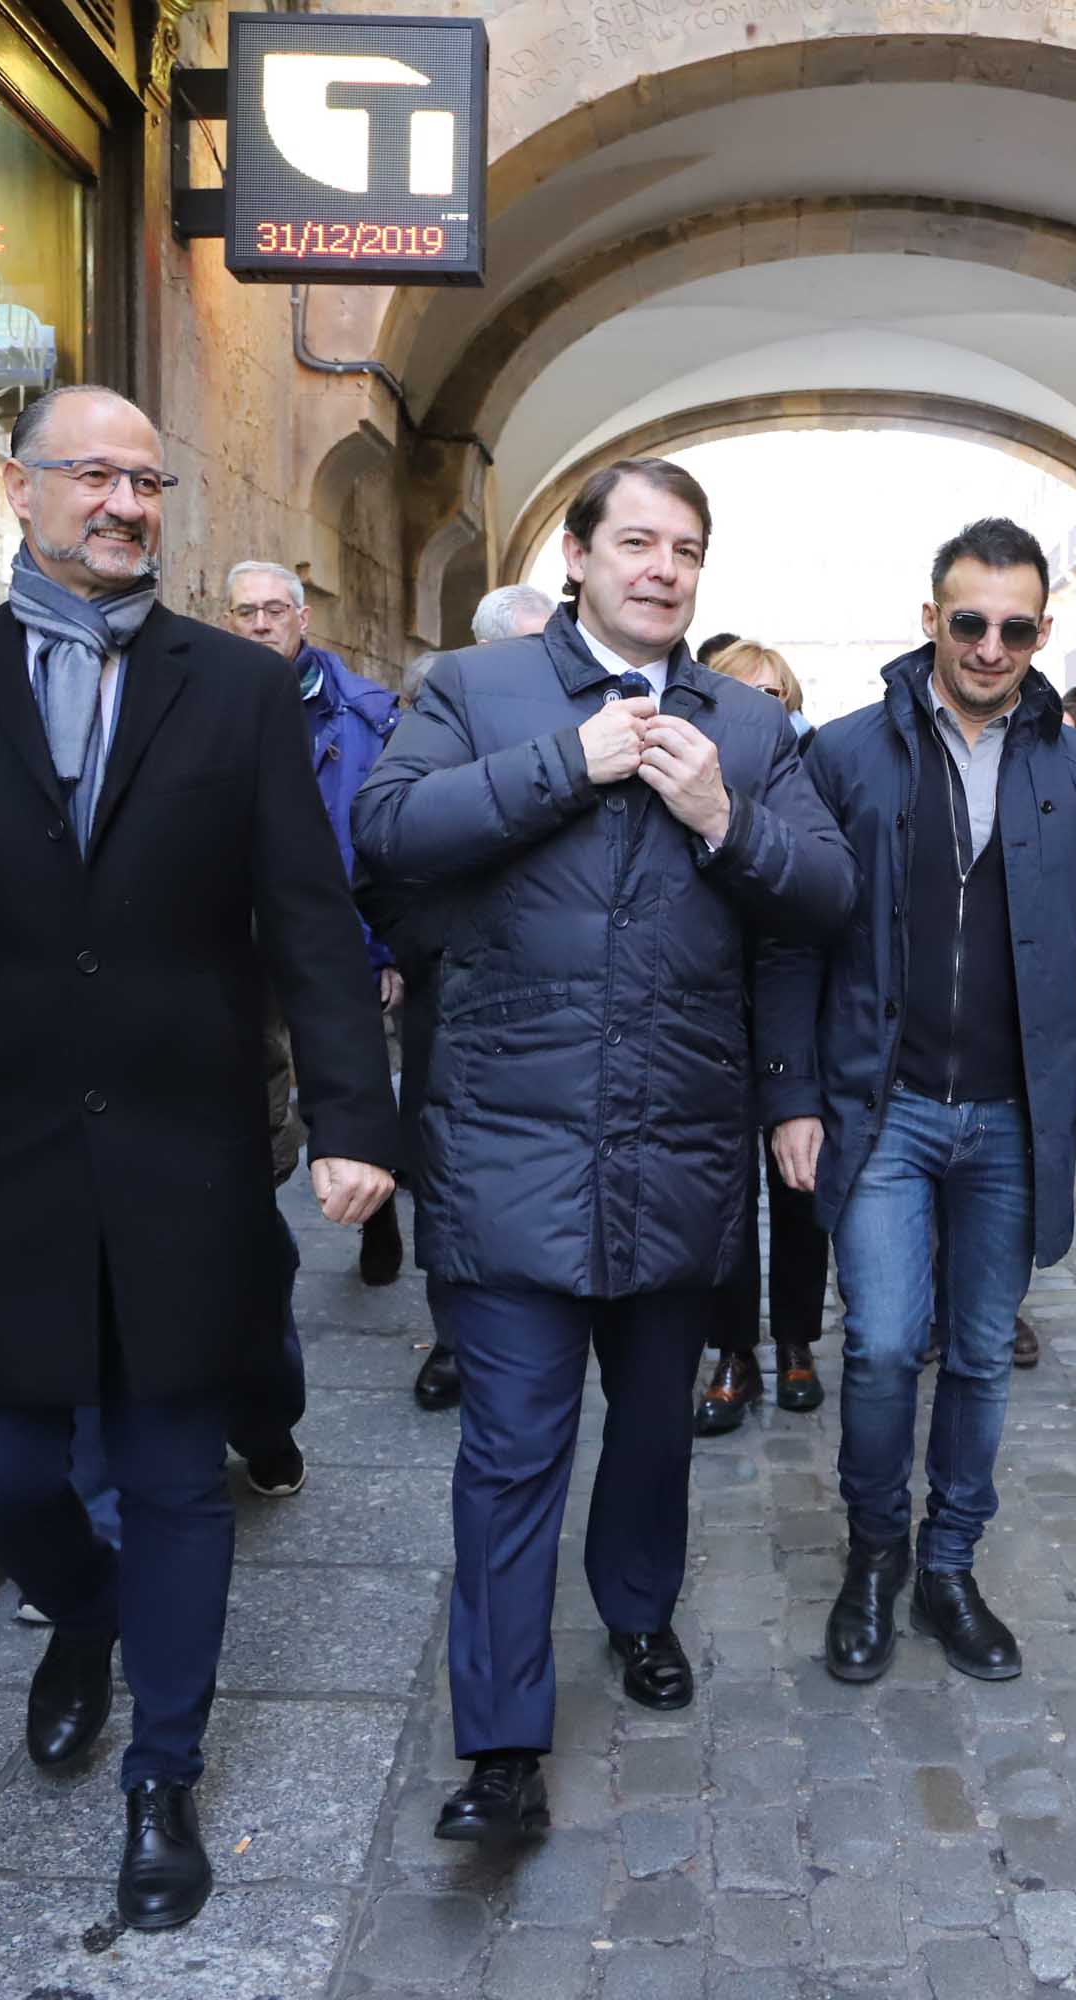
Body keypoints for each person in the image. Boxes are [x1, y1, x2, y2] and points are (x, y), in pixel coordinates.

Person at [0, 386, 399, 1929]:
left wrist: (350, 1122)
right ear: (20, 490)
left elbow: (310, 927)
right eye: (94, 477)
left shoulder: (237, 694)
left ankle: (162, 1778)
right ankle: (86, 1609)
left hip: (185, 1149)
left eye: (148, 479)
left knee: (173, 1472)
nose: (125, 505)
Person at [354, 459, 851, 1843]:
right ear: (575, 556)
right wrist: (564, 766)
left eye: (685, 549)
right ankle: (501, 1744)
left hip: (676, 1147)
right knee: (510, 1451)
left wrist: (720, 820)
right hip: (506, 1143)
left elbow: (826, 896)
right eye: (635, 541)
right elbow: (385, 833)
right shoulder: (475, 691)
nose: (661, 569)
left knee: (651, 1433)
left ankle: (639, 1615)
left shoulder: (747, 729)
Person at [763, 517, 1076, 1687]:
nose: (990, 645)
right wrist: (791, 1092)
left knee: (979, 1353)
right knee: (879, 1343)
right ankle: (874, 1555)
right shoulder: (842, 753)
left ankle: (950, 1564)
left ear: (1042, 630)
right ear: (928, 618)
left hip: (1014, 1119)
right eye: (968, 621)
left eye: (1015, 626)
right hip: (882, 1108)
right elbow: (793, 936)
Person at [393, 584, 565, 1415]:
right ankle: (456, 1340)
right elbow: (386, 848)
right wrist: (431, 952)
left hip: (555, 992)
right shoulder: (440, 721)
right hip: (459, 988)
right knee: (448, 1167)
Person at [225, 561, 408, 1300]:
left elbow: (389, 842)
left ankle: (378, 1206)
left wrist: (388, 946)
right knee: (256, 1073)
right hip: (238, 931)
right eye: (246, 613)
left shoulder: (368, 713)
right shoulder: (209, 700)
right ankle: (262, 1213)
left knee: (346, 1073)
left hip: (336, 928)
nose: (261, 624)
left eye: (275, 610)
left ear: (304, 619)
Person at [696, 642, 832, 1436]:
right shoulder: (681, 770)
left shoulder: (811, 774)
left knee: (799, 1183)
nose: (764, 705)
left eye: (776, 692)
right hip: (708, 1005)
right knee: (722, 1195)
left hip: (799, 1004)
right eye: (746, 692)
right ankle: (731, 1350)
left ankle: (796, 1342)